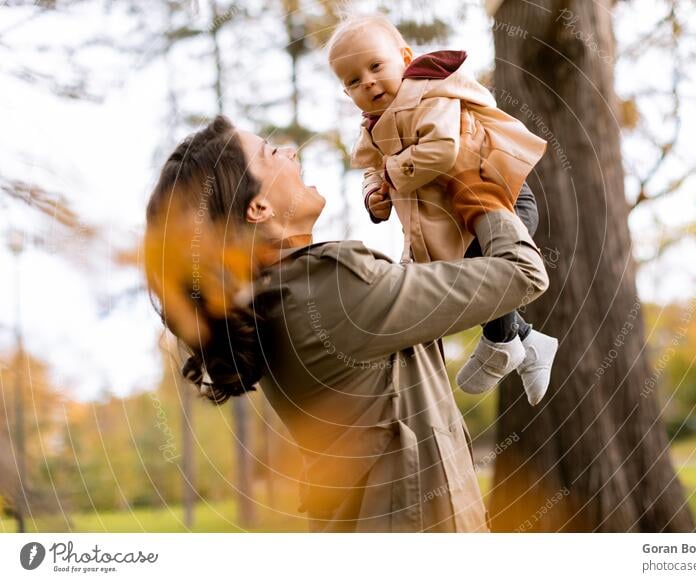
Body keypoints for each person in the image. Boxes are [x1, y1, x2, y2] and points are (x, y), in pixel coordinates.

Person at [143, 112, 549, 532]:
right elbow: (522, 272)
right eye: (269, 152)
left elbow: (414, 302)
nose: (290, 151)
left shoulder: (277, 302)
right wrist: (477, 189)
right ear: (258, 207)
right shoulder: (329, 286)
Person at [327, 14, 558, 406]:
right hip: (455, 220)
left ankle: (500, 341)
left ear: (404, 57)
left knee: (488, 266)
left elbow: (442, 149)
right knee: (468, 274)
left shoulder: (430, 94)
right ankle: (526, 342)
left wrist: (392, 173)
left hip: (502, 198)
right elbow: (370, 168)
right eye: (352, 80)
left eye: (376, 66)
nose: (366, 81)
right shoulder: (371, 128)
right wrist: (374, 197)